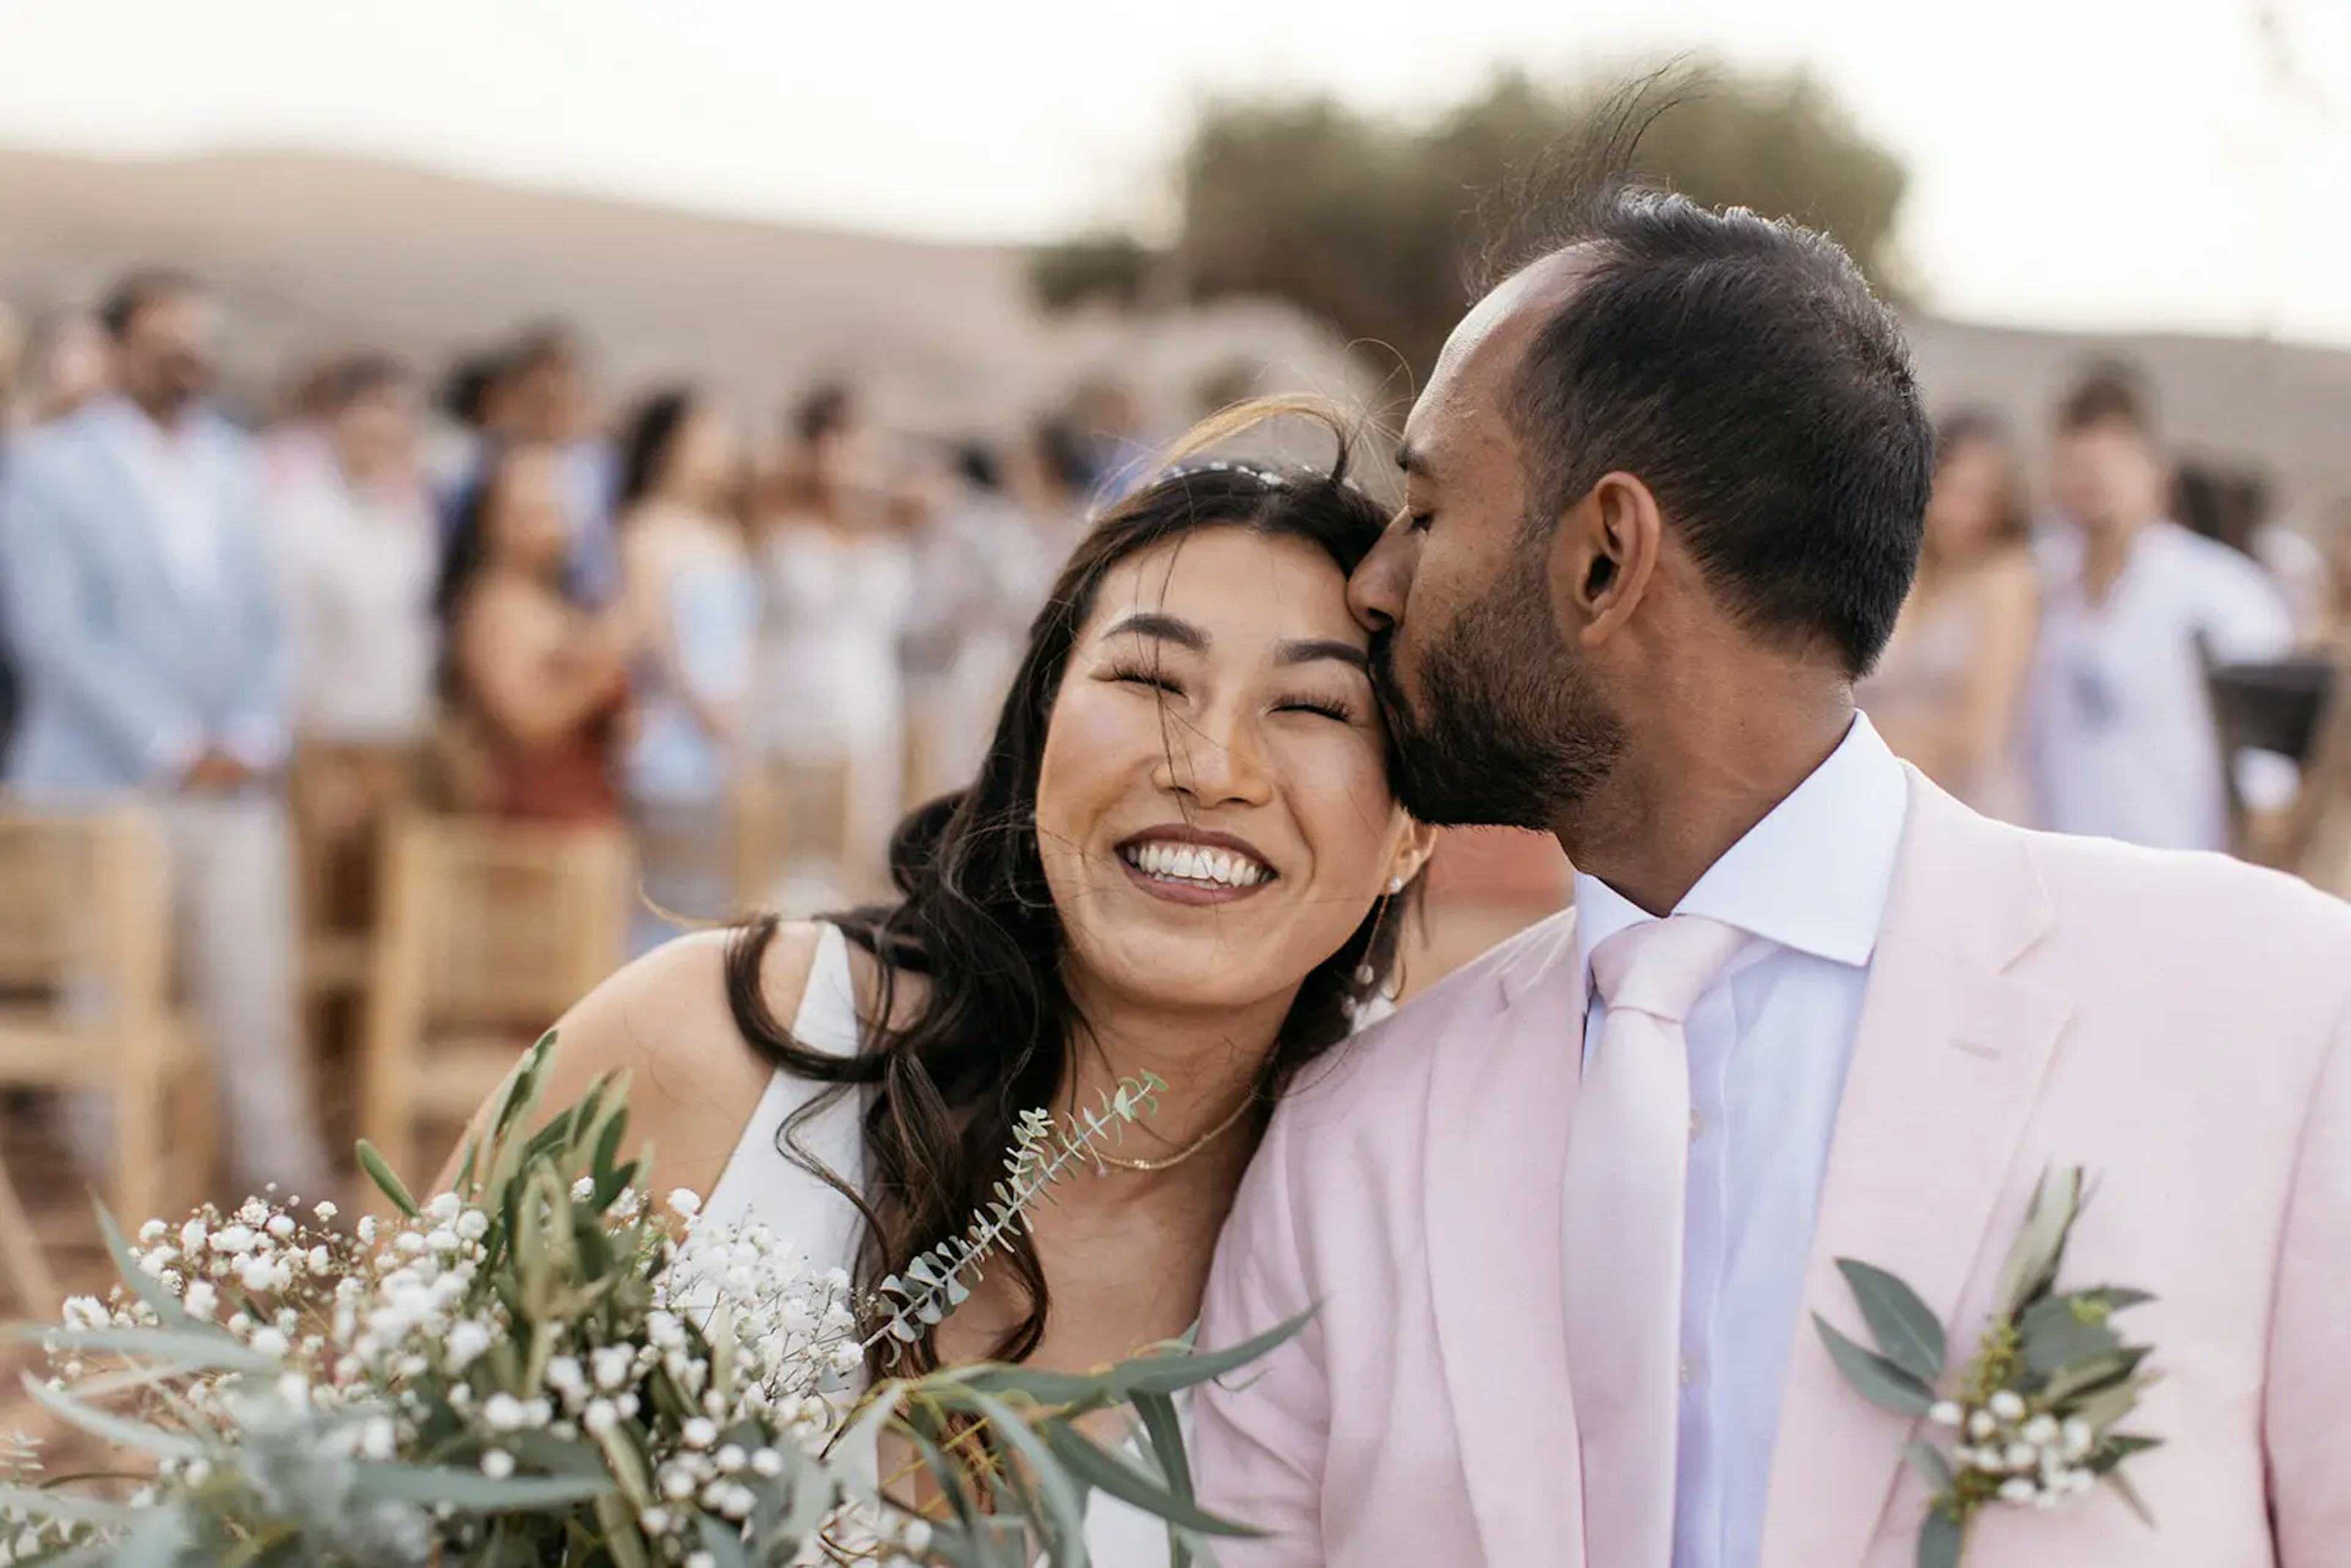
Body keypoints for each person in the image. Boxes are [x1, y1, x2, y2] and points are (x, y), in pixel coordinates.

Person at [1190, 174, 2351, 1567]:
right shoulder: (1348, 1143)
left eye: (1427, 508)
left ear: (1604, 555)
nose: (1375, 582)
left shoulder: (2271, 1011)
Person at [443, 415, 1434, 1562]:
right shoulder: (703, 1046)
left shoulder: (1406, 1234)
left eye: (1312, 707)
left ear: (1411, 832)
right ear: (1037, 737)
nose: (1208, 767)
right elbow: (361, 1486)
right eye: (1150, 677)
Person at [0, 269, 334, 1199]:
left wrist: (254, 735)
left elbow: (274, 622)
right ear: (117, 352)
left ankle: (283, 1197)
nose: (189, 359)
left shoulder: (239, 464)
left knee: (254, 995)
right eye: (167, 342)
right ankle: (114, 1207)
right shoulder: (48, 465)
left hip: (238, 783)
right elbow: (54, 630)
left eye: (200, 342)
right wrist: (172, 742)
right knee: (107, 999)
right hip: (104, 784)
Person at [2023, 367, 2295, 852]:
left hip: (2186, 867)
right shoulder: (2040, 581)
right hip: (2060, 865)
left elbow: (2270, 771)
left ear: (2157, 474)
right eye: (2077, 465)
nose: (2092, 482)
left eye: (2111, 465)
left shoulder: (2221, 590)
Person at [272, 354, 438, 939]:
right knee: (319, 917)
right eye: (369, 433)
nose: (382, 447)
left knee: (384, 921)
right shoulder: (303, 523)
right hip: (331, 745)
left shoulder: (408, 521)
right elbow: (295, 646)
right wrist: (313, 760)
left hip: (397, 744)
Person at [748, 383, 916, 904]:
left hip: (869, 705)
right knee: (788, 864)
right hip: (795, 708)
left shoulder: (888, 522)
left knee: (858, 855)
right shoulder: (776, 517)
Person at [615, 386, 759, 948]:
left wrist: (740, 719)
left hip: (728, 737)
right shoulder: (647, 528)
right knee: (668, 894)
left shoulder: (725, 532)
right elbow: (656, 639)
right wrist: (708, 712)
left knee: (719, 893)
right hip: (675, 737)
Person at [433, 442, 630, 823]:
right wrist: (598, 675)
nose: (547, 526)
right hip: (530, 823)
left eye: (551, 512)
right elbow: (526, 727)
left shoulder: (556, 602)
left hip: (585, 812)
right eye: (528, 514)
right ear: (491, 522)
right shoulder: (493, 607)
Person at [1859, 410, 2038, 819]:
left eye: (1980, 496)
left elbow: (1982, 732)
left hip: (1962, 806)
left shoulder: (2007, 580)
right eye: (1952, 489)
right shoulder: (1903, 570)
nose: (1961, 512)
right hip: (1882, 800)